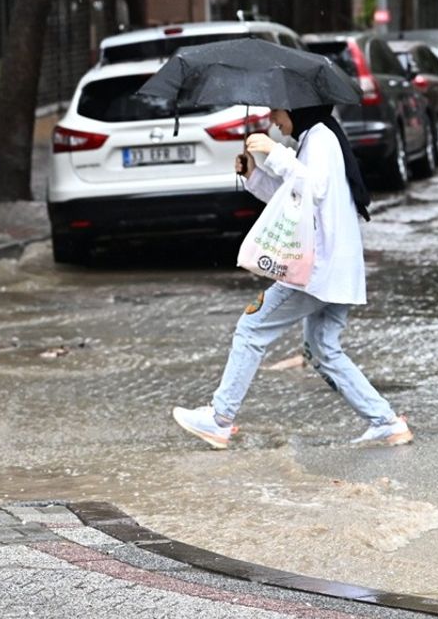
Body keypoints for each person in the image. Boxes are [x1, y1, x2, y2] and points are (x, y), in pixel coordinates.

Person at [171, 104, 413, 449]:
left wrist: (275, 152)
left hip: (318, 270)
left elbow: (313, 186)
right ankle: (386, 422)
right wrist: (254, 175)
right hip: (336, 268)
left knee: (251, 328)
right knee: (322, 349)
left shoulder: (321, 139)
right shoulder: (315, 138)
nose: (273, 119)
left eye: (277, 111)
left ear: (298, 106)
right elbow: (295, 196)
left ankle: (220, 419)